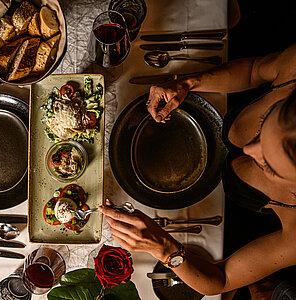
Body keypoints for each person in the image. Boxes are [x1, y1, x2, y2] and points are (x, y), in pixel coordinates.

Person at [99, 43, 296, 296]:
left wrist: (163, 248)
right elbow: (254, 71)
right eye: (265, 121)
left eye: (269, 166)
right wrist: (188, 83)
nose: (249, 150)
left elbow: (222, 280)